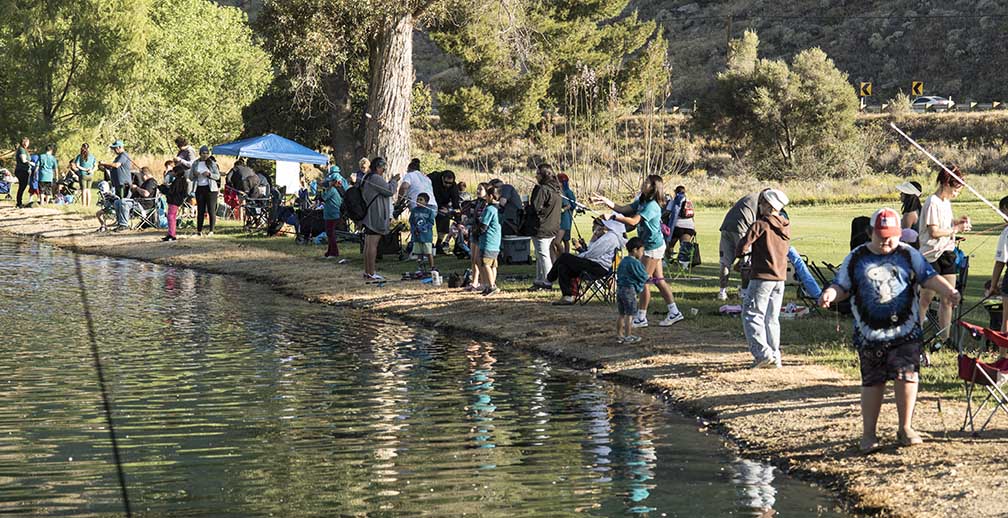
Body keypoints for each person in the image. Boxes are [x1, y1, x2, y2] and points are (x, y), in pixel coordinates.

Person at [820, 207, 959, 453]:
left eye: (892, 236)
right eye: (881, 236)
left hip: (906, 332)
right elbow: (842, 285)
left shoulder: (909, 254)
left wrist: (948, 290)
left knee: (907, 376)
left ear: (899, 233)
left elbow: (928, 276)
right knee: (872, 383)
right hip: (870, 334)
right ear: (870, 232)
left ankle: (905, 428)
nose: (887, 241)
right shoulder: (856, 257)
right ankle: (868, 434)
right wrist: (830, 294)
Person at [593, 175, 684, 328]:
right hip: (651, 245)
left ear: (654, 187)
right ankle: (674, 312)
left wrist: (614, 217)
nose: (643, 183)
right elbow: (624, 209)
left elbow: (634, 221)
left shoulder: (652, 206)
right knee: (658, 280)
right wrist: (606, 202)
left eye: (647, 182)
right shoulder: (642, 201)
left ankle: (641, 317)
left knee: (643, 281)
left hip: (652, 247)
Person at [735, 189, 791, 369]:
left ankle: (762, 354)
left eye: (761, 203)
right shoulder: (785, 225)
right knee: (772, 318)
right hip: (779, 278)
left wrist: (741, 253)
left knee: (752, 314)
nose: (759, 206)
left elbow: (742, 248)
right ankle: (775, 355)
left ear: (768, 205)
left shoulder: (760, 225)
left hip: (762, 277)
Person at [918, 166, 971, 342]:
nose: (957, 193)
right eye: (956, 189)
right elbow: (934, 232)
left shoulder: (946, 202)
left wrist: (958, 222)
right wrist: (956, 229)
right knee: (925, 299)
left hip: (947, 253)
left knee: (949, 297)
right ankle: (915, 336)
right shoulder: (932, 202)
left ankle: (944, 339)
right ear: (946, 184)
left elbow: (945, 224)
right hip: (930, 255)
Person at [549, 217, 626, 305]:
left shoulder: (610, 238)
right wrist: (594, 236)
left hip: (598, 267)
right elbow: (591, 249)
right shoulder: (608, 236)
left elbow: (592, 254)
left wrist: (580, 256)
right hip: (594, 264)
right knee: (563, 267)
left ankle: (550, 278)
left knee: (564, 256)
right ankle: (568, 297)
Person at [361, 157, 398, 280]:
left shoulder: (367, 177)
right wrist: (394, 181)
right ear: (377, 167)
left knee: (368, 244)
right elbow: (389, 191)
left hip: (369, 215)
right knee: (373, 245)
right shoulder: (375, 178)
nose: (384, 171)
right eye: (383, 168)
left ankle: (367, 272)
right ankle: (371, 273)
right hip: (376, 215)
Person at [718, 192, 761, 300]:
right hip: (742, 229)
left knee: (725, 262)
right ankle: (744, 292)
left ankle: (722, 292)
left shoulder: (751, 197)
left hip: (726, 227)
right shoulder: (763, 201)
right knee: (745, 263)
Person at [528, 163, 562, 290]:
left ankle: (548, 282)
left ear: (543, 175)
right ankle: (539, 280)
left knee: (544, 256)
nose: (536, 176)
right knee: (540, 255)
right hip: (553, 227)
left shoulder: (543, 189)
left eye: (538, 173)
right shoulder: (557, 189)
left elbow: (536, 208)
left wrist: (527, 206)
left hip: (542, 227)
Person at [616, 237, 650, 344]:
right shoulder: (635, 263)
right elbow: (643, 276)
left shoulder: (623, 261)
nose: (642, 253)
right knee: (629, 314)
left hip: (620, 289)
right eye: (641, 250)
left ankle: (619, 335)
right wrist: (648, 278)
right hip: (629, 291)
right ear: (635, 250)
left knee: (621, 314)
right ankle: (628, 336)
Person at [986, 196, 1008, 337]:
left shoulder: (1006, 233)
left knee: (1006, 319)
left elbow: (1000, 262)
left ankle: (1003, 350)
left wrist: (993, 286)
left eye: (1002, 212)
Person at [188, 145, 221, 236]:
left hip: (211, 189)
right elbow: (190, 177)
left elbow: (217, 176)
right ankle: (199, 231)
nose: (205, 155)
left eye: (207, 153)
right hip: (199, 187)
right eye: (203, 153)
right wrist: (195, 174)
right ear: (200, 153)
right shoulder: (195, 163)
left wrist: (209, 174)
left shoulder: (212, 163)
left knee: (211, 209)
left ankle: (211, 230)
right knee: (200, 210)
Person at [463, 182, 490, 292]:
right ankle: (474, 282)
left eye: (481, 189)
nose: (478, 191)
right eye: (477, 189)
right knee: (473, 259)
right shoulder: (475, 202)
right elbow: (469, 214)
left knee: (479, 259)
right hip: (473, 233)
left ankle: (484, 282)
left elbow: (481, 219)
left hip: (481, 234)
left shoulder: (487, 204)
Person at [478, 184, 502, 296]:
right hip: (496, 242)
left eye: (486, 195)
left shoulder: (489, 209)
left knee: (486, 263)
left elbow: (483, 226)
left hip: (488, 241)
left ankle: (492, 286)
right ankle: (490, 285)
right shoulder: (499, 209)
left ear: (491, 196)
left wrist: (475, 230)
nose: (485, 198)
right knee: (493, 264)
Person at [429, 169, 461, 254]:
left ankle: (439, 244)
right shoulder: (433, 178)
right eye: (446, 182)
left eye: (450, 183)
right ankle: (427, 244)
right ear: (442, 178)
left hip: (443, 205)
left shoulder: (453, 187)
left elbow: (455, 202)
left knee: (444, 220)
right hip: (430, 202)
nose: (448, 185)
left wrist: (457, 218)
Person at [666, 185, 697, 270]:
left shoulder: (673, 201)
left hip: (677, 226)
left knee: (669, 245)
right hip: (689, 227)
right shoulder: (689, 201)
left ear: (675, 192)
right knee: (685, 246)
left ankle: (668, 260)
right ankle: (684, 264)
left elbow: (667, 213)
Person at [319, 170, 349, 259]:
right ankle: (329, 252)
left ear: (333, 182)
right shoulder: (336, 190)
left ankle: (334, 253)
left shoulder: (332, 190)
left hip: (331, 215)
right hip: (332, 214)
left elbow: (323, 197)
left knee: (331, 234)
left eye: (330, 181)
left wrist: (321, 189)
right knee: (329, 234)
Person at [158, 165, 189, 241]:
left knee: (171, 217)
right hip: (177, 201)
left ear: (176, 172)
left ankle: (172, 234)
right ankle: (171, 233)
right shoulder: (183, 180)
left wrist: (161, 188)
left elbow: (171, 191)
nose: (172, 173)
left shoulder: (177, 181)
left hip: (174, 201)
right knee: (173, 217)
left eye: (173, 171)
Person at [410, 192, 437, 271]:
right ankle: (420, 267)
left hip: (426, 236)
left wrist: (422, 228)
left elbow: (431, 223)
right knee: (419, 253)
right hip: (417, 236)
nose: (418, 201)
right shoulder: (414, 211)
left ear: (426, 202)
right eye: (417, 199)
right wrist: (414, 230)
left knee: (428, 252)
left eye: (421, 200)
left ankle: (432, 267)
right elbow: (411, 221)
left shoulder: (429, 211)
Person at [554, 172, 577, 258]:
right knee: (559, 240)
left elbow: (573, 205)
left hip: (567, 218)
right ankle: (560, 256)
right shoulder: (559, 191)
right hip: (559, 219)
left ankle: (566, 255)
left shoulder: (568, 192)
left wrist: (565, 209)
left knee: (566, 239)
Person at [13, 137, 31, 207]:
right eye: (28, 142)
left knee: (23, 186)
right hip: (21, 170)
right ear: (25, 143)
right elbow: (23, 160)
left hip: (24, 170)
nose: (29, 144)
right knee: (22, 186)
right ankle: (19, 202)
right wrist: (31, 163)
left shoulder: (24, 150)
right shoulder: (21, 150)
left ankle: (19, 202)